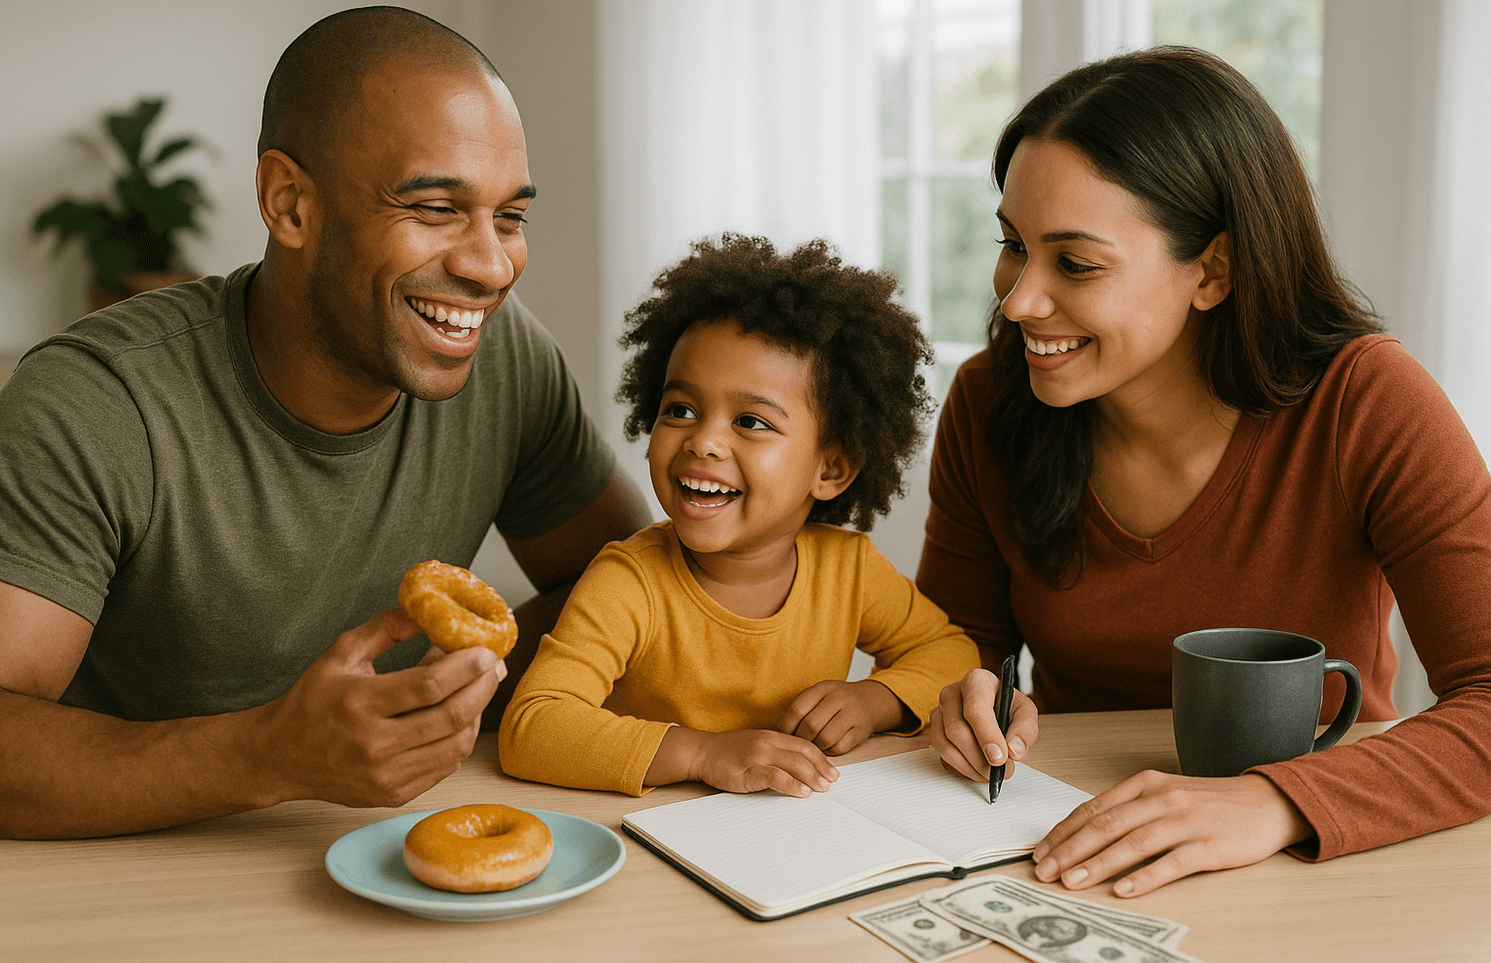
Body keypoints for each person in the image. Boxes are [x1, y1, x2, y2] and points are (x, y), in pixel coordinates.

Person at [0, 6, 649, 840]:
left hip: (385, 853)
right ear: (290, 203)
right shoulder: (96, 403)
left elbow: (636, 595)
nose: (491, 264)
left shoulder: (508, 361)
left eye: (510, 217)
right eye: (436, 207)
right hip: (116, 882)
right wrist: (270, 755)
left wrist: (458, 695)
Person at [920, 46, 1491, 897]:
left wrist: (1271, 802)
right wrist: (956, 701)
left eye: (1074, 263)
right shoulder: (988, 402)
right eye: (1012, 245)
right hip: (1064, 849)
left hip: (1327, 853)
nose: (1017, 301)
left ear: (1213, 271)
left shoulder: (1368, 402)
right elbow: (954, 651)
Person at [498, 235, 980, 797]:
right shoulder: (629, 581)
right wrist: (701, 752)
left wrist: (876, 701)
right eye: (680, 410)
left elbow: (951, 654)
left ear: (831, 469)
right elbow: (533, 726)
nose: (703, 441)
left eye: (751, 422)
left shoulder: (849, 570)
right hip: (648, 835)